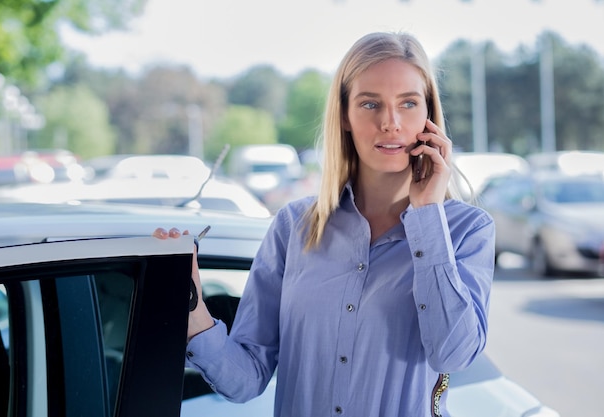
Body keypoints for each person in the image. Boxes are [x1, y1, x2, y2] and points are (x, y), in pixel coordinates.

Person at [154, 31, 495, 417]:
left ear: (429, 116)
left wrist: (428, 215)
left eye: (408, 103)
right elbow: (245, 381)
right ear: (345, 115)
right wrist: (193, 311)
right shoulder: (293, 227)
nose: (390, 123)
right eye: (370, 104)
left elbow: (454, 352)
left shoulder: (467, 231)